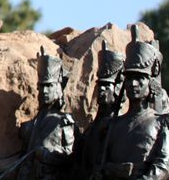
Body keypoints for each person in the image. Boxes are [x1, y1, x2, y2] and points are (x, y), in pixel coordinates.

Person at [99, 28, 169, 179]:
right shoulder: (113, 126)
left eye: (139, 78)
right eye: (129, 78)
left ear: (150, 84)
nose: (133, 84)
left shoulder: (161, 124)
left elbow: (164, 165)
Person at [16, 49, 77, 179]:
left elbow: (69, 156)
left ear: (58, 88)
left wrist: (45, 155)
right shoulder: (32, 124)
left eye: (49, 86)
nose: (44, 91)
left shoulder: (64, 121)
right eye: (42, 86)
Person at [78, 42, 124, 175]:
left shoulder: (121, 127)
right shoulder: (92, 127)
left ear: (116, 90)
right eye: (100, 85)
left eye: (107, 85)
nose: (101, 89)